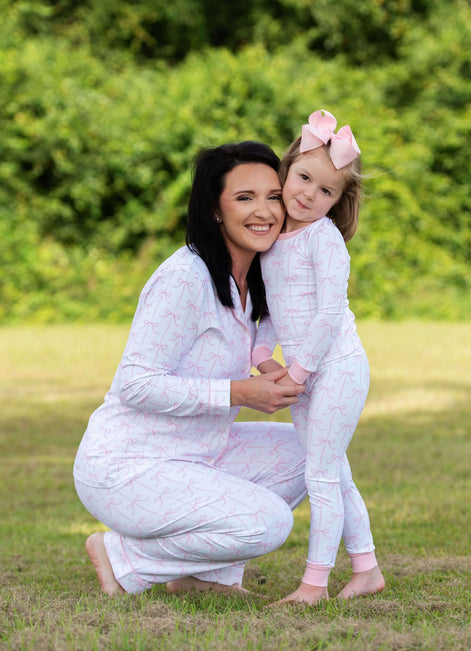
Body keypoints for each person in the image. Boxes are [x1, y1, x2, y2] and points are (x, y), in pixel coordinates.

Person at [73, 141, 308, 596]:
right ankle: (125, 559)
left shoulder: (249, 279)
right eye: (244, 198)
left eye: (273, 196)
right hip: (128, 465)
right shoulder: (186, 277)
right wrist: (239, 392)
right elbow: (135, 384)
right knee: (270, 524)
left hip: (201, 452)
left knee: (311, 451)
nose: (264, 211)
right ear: (215, 210)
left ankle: (202, 578)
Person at [252, 110, 385, 605]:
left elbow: (329, 314)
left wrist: (301, 371)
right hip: (303, 375)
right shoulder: (273, 240)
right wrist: (267, 360)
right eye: (304, 178)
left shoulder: (323, 239)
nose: (309, 194)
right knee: (334, 470)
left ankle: (314, 584)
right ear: (286, 171)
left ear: (336, 202)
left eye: (325, 191)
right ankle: (367, 568)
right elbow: (270, 312)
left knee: (321, 475)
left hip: (338, 367)